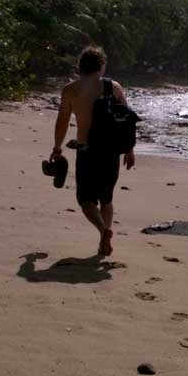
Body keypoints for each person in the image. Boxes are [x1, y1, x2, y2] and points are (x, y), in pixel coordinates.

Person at [49, 46, 135, 256]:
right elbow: (127, 121)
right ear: (101, 65)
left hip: (86, 150)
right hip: (110, 151)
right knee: (106, 198)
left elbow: (62, 122)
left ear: (80, 66)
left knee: (86, 199)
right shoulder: (113, 87)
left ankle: (104, 231)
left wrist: (57, 148)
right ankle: (102, 239)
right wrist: (129, 150)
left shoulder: (71, 89)